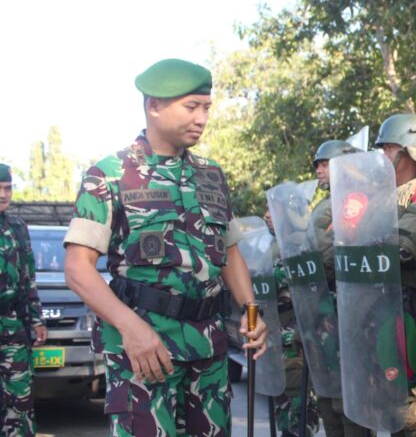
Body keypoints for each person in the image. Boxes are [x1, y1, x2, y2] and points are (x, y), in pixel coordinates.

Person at [62, 59, 267, 436]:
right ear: (154, 105)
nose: (202, 118)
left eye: (207, 107)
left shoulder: (212, 174)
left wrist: (251, 310)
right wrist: (130, 327)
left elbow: (230, 251)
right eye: (192, 106)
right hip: (145, 350)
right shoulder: (110, 174)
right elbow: (78, 269)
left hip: (208, 346)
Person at [374, 114, 416, 437]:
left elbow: (405, 248)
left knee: (414, 420)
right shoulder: (388, 195)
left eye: (388, 148)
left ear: (409, 152)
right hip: (392, 320)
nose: (383, 157)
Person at [308, 140, 371, 437]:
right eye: (318, 164)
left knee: (350, 402)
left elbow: (332, 254)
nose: (319, 169)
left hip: (350, 311)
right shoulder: (326, 204)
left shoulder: (354, 201)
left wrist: (308, 243)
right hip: (325, 311)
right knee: (329, 400)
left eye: (325, 163)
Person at [0, 164, 47, 436]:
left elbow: (28, 278)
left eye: (7, 189)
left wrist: (36, 319)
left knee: (20, 400)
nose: (3, 195)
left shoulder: (18, 228)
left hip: (12, 327)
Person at [265, 208, 320, 437]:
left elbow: (279, 279)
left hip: (296, 335)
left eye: (272, 210)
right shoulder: (275, 244)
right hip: (278, 334)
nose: (267, 215)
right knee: (284, 406)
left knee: (299, 409)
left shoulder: (299, 245)